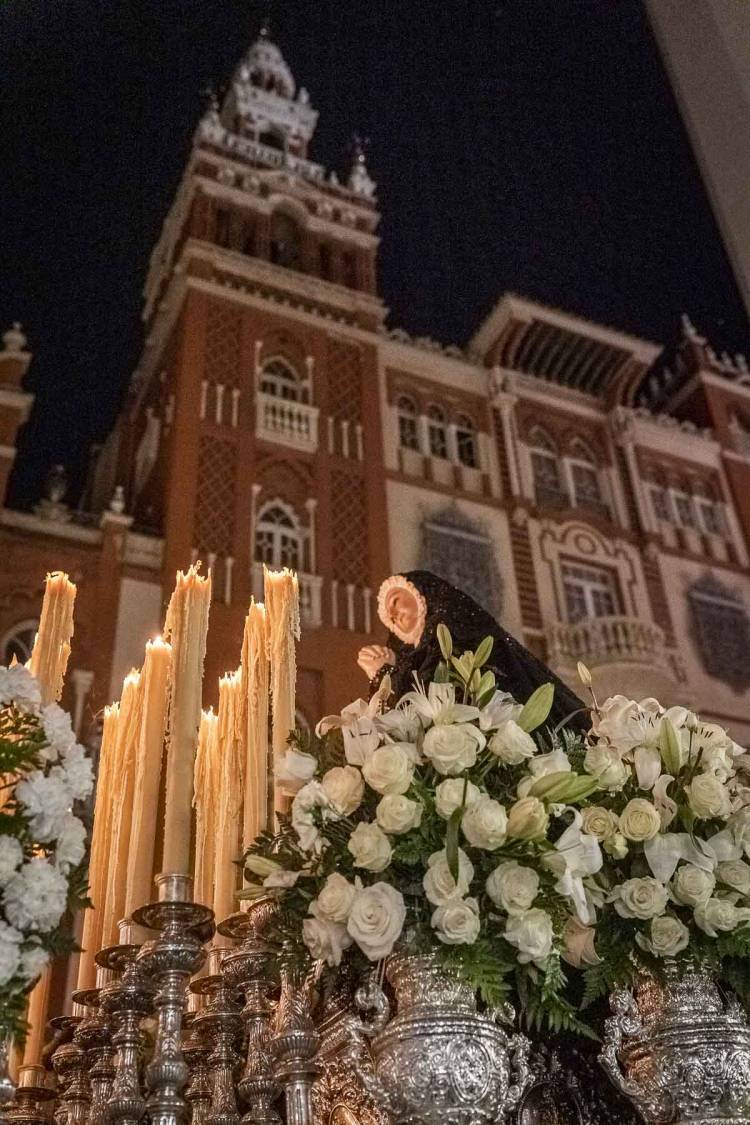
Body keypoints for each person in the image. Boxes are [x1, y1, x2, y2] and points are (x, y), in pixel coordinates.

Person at [358, 570, 587, 730]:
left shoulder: (460, 635)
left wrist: (385, 674)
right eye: (389, 616)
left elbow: (442, 694)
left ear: (422, 595)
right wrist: (390, 670)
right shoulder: (415, 657)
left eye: (396, 602)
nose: (394, 614)